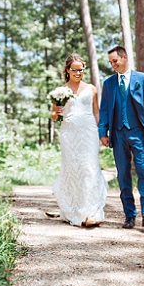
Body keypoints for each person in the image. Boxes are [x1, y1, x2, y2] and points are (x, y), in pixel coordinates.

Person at [98, 46, 144, 229]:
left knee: (143, 170)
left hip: (139, 133)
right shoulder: (109, 84)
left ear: (124, 58)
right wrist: (103, 133)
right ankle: (129, 215)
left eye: (115, 61)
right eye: (110, 62)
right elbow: (104, 110)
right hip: (118, 134)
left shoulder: (142, 79)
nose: (113, 65)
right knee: (123, 175)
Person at [51, 54, 108, 227]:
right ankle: (73, 209)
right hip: (69, 133)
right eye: (74, 69)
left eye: (81, 69)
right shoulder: (60, 92)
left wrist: (102, 132)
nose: (78, 72)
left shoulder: (91, 89)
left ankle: (92, 212)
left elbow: (96, 112)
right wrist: (56, 114)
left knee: (89, 168)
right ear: (68, 70)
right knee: (73, 169)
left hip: (89, 132)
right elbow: (54, 117)